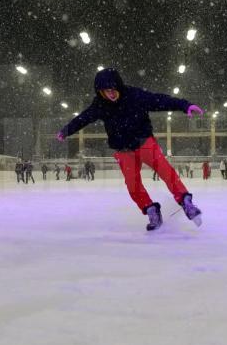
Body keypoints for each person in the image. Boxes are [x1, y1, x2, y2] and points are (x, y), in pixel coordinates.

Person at [57, 68, 204, 231]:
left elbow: (160, 100)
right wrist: (67, 130)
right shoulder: (99, 104)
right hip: (123, 150)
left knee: (165, 171)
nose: (111, 94)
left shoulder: (135, 96)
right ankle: (151, 210)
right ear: (101, 92)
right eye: (107, 91)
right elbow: (83, 118)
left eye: (113, 90)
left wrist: (185, 105)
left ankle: (185, 201)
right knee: (133, 186)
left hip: (144, 142)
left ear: (118, 86)